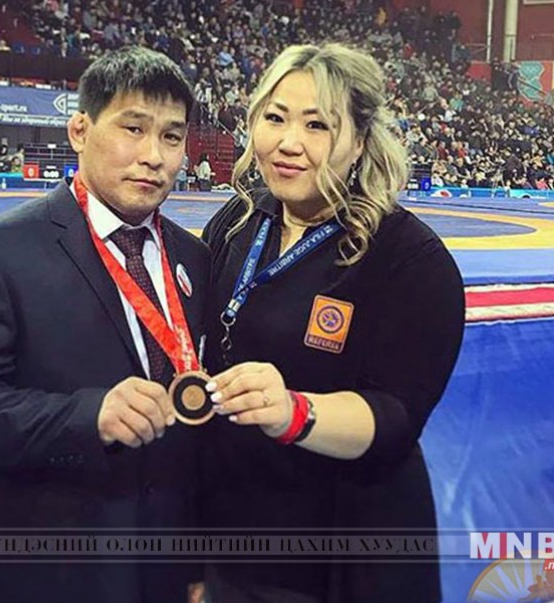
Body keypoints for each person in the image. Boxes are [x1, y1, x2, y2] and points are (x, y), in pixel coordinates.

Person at [0, 46, 209, 603]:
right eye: (133, 128)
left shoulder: (193, 258)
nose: (153, 156)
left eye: (171, 137)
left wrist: (197, 563)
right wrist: (88, 415)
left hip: (163, 569)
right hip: (49, 569)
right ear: (80, 130)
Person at [200, 43, 465, 603]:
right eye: (275, 118)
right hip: (237, 540)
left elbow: (394, 417)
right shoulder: (237, 222)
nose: (289, 142)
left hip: (347, 551)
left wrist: (293, 411)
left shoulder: (410, 259)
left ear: (360, 141)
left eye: (317, 125)